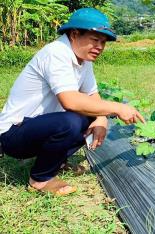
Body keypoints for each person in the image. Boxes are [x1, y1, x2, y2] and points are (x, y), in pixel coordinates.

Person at [0, 8, 144, 196]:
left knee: (87, 118)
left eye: (103, 42)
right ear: (75, 34)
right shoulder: (56, 53)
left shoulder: (84, 60)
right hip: (14, 134)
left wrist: (101, 119)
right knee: (72, 121)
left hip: (39, 127)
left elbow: (92, 95)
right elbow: (70, 101)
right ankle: (40, 179)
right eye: (95, 40)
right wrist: (117, 108)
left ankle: (56, 162)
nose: (100, 47)